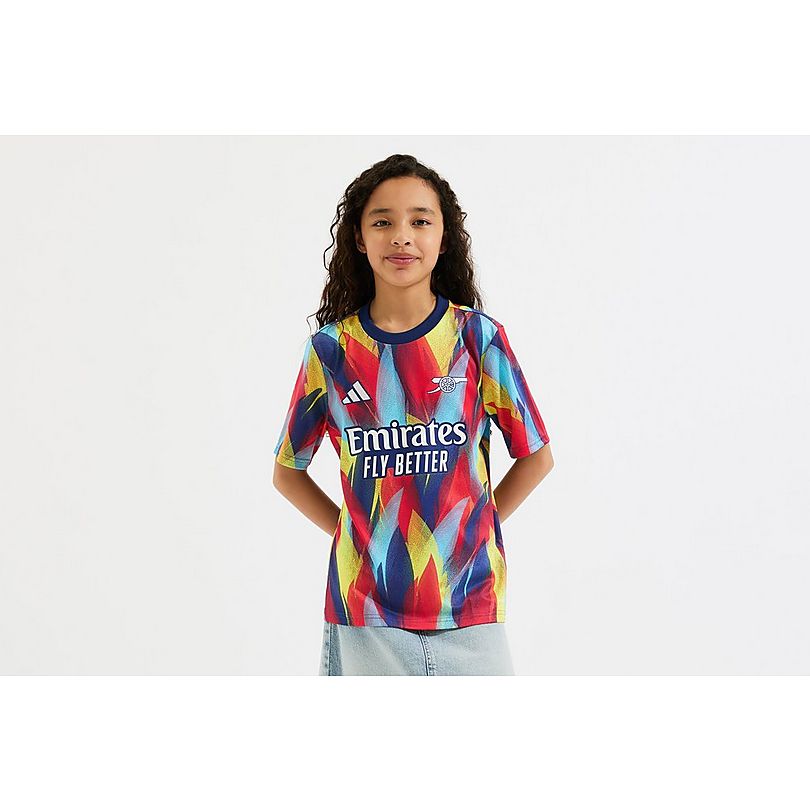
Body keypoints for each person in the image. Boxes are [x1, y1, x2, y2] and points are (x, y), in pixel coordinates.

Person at [273, 154, 554, 675]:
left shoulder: (477, 339)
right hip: (365, 617)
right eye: (382, 222)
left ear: (444, 239)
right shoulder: (331, 352)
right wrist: (357, 536)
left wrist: (475, 528)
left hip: (469, 607)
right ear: (360, 239)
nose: (402, 236)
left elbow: (536, 457)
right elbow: (287, 472)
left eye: (420, 221)